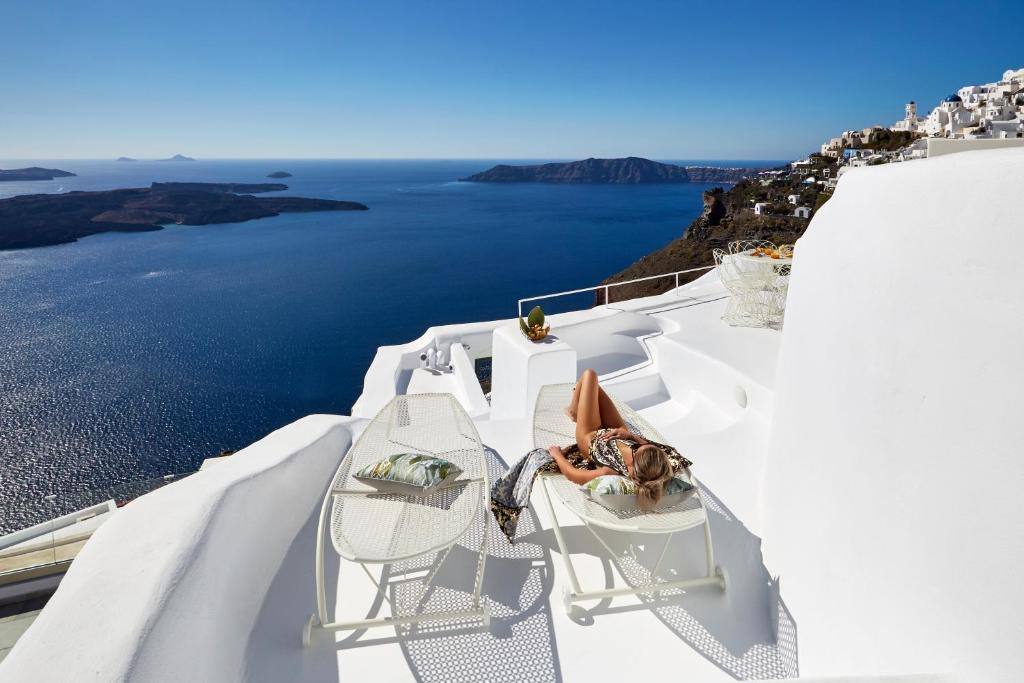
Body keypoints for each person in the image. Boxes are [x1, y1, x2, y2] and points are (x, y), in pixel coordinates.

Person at [548, 368, 675, 510]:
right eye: (639, 446)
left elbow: (573, 475)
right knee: (590, 386)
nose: (639, 445)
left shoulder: (609, 472)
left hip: (591, 436)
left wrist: (557, 455)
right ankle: (579, 405)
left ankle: (573, 411)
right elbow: (647, 447)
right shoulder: (653, 467)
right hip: (618, 432)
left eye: (636, 451)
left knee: (590, 375)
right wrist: (630, 436)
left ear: (631, 467)